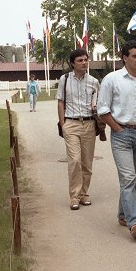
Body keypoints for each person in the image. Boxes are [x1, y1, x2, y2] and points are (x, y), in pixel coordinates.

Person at [97, 40, 136, 239]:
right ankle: (134, 222)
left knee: (134, 180)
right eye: (135, 56)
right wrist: (117, 129)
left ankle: (123, 214)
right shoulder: (112, 79)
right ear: (125, 57)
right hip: (122, 135)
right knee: (128, 178)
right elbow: (102, 109)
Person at [56, 49, 100, 210]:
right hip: (71, 124)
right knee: (74, 160)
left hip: (89, 124)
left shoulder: (94, 82)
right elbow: (60, 102)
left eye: (86, 60)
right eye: (80, 60)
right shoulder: (65, 79)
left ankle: (84, 193)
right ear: (73, 63)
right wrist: (63, 124)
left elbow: (99, 102)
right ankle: (74, 196)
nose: (84, 62)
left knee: (87, 163)